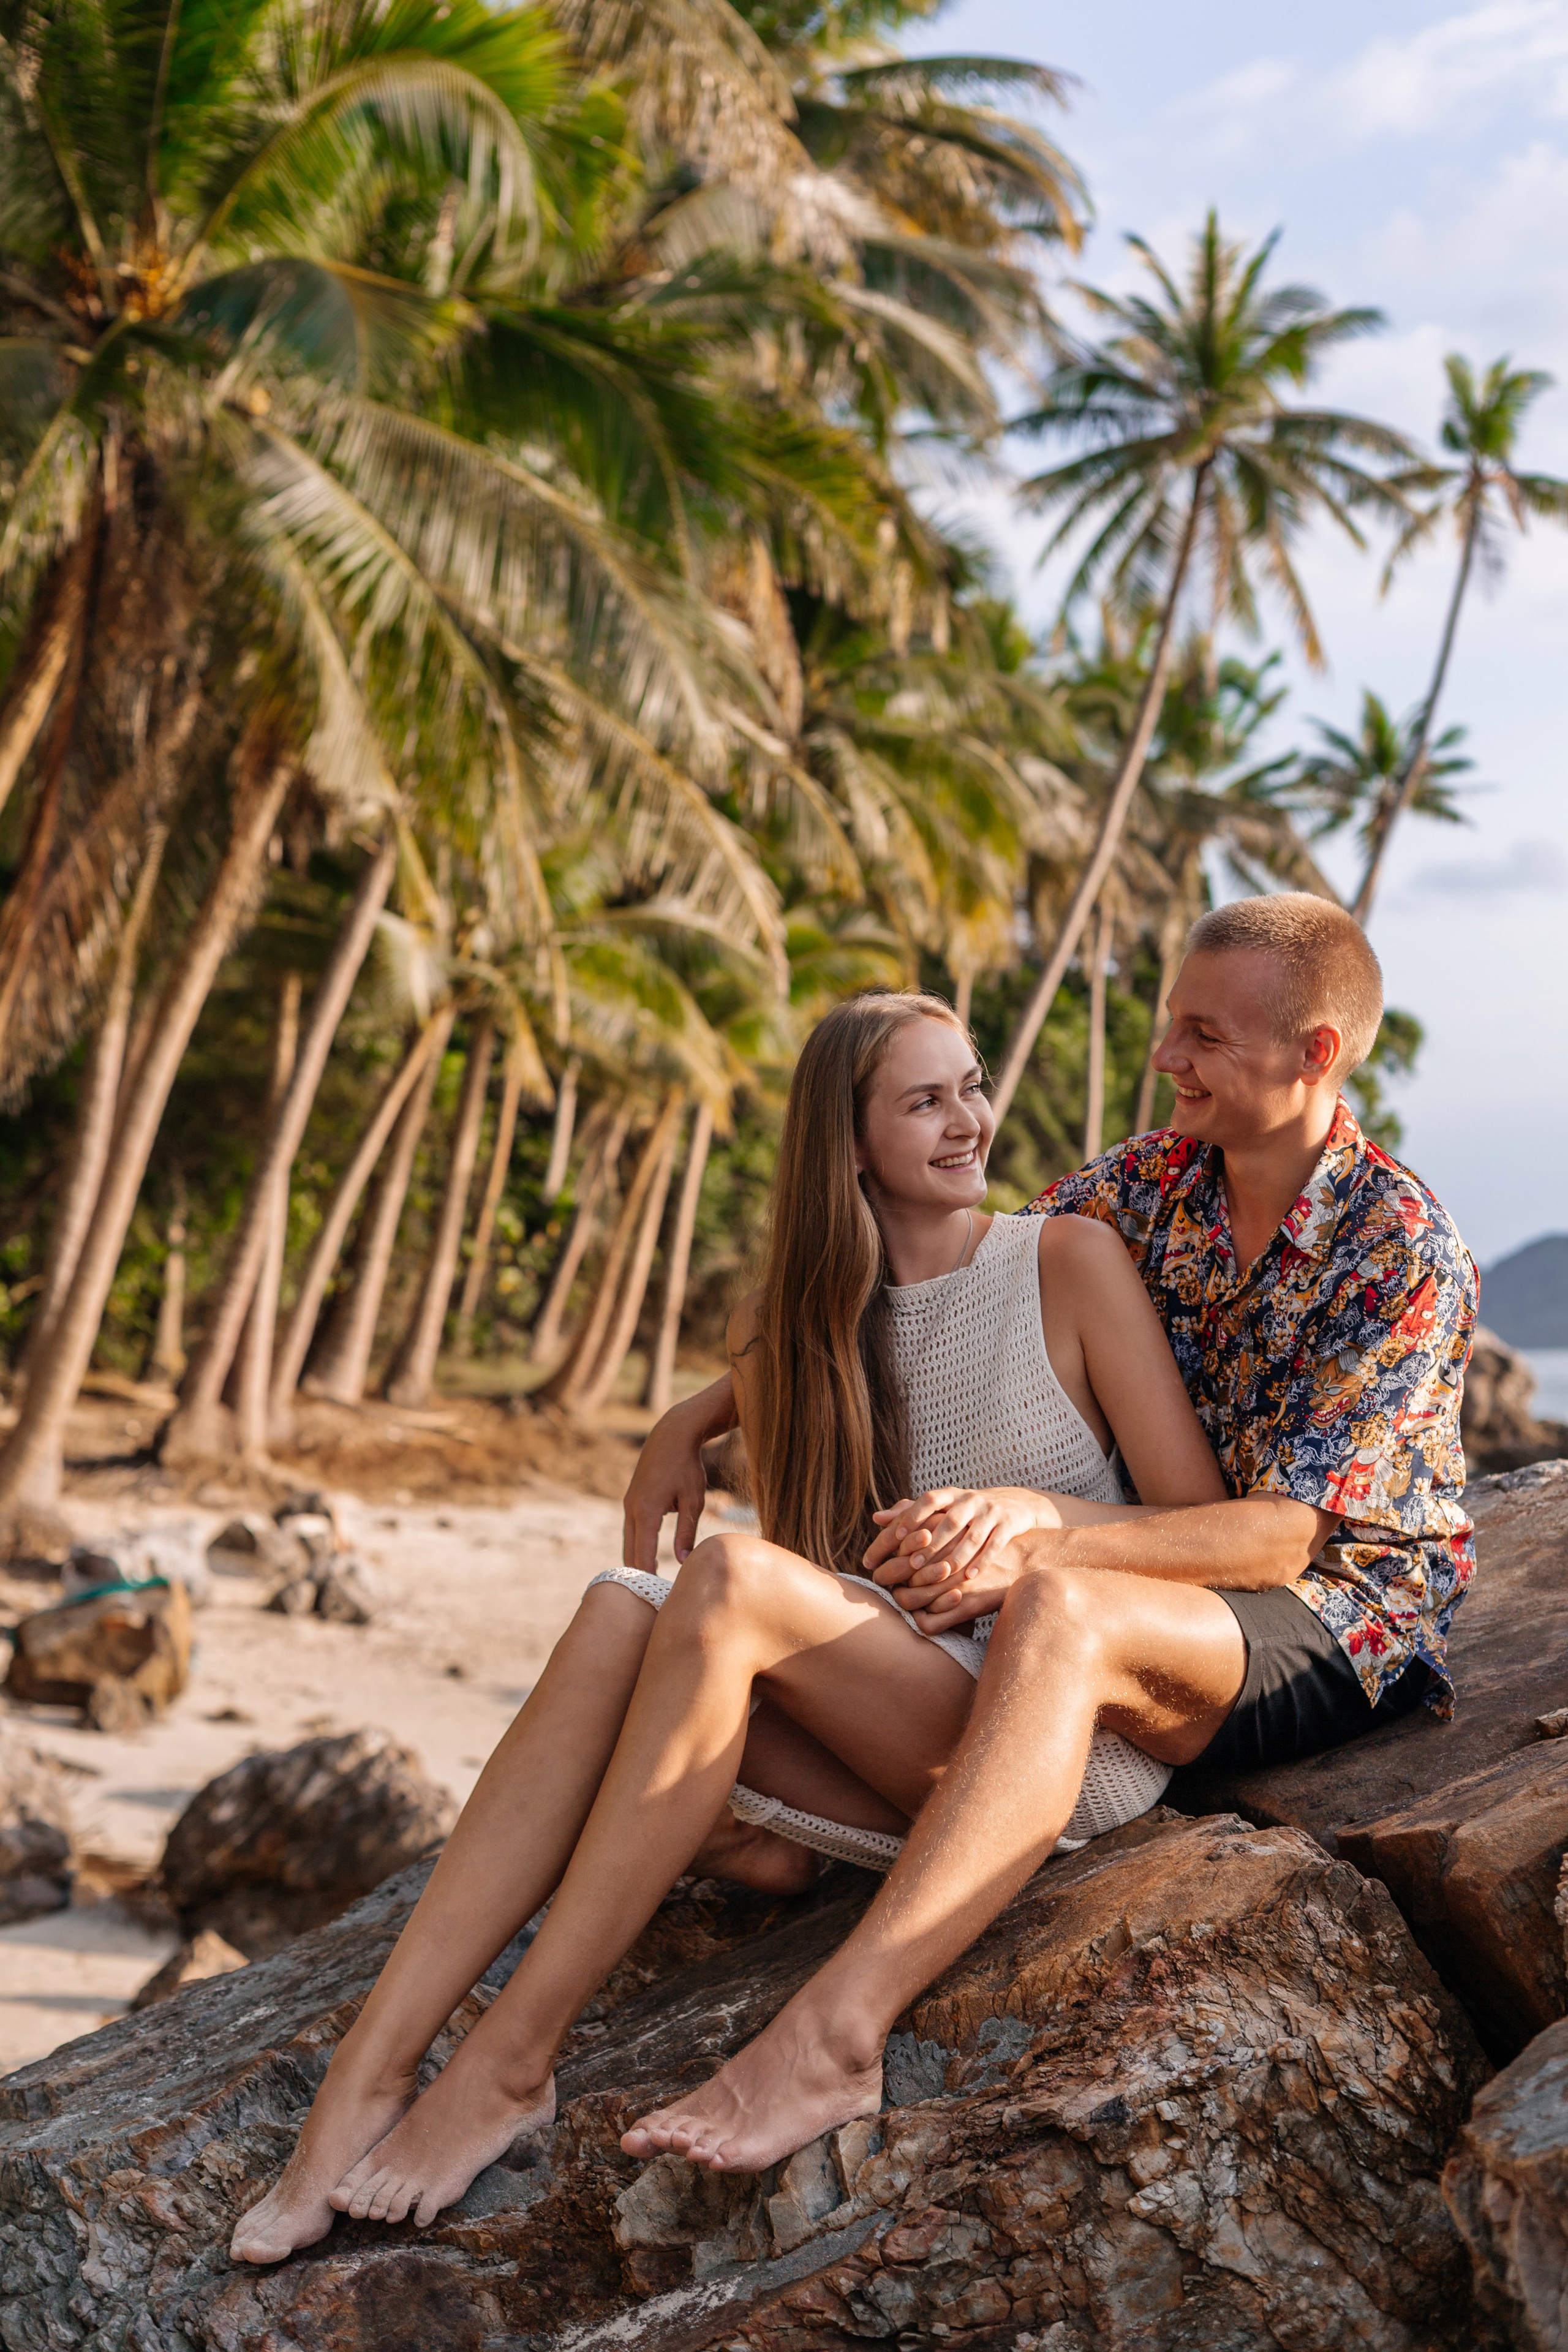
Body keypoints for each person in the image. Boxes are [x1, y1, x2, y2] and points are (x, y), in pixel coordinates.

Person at [231, 987, 1229, 2263]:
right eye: (924, 1101)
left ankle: (507, 2064)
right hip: (896, 1731)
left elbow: (1198, 1521)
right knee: (614, 1607)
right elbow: (794, 1366)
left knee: (725, 1581)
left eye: (970, 1087)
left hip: (1042, 1742)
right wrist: (687, 1418)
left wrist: (1032, 1533)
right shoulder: (811, 1331)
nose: (967, 1120)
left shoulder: (1064, 1261)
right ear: (849, 1144)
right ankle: (364, 2080)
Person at [610, 892, 1476, 2174]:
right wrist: (701, 1411)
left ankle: (837, 2027)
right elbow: (953, 1255)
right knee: (854, 1624)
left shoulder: (1396, 1245)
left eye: (1200, 1037)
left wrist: (1045, 1526)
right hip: (1183, 1578)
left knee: (1051, 1603)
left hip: (1334, 1610)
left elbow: (1285, 1540)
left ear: (1312, 1057)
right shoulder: (1146, 1184)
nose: (1165, 1060)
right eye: (1168, 1027)